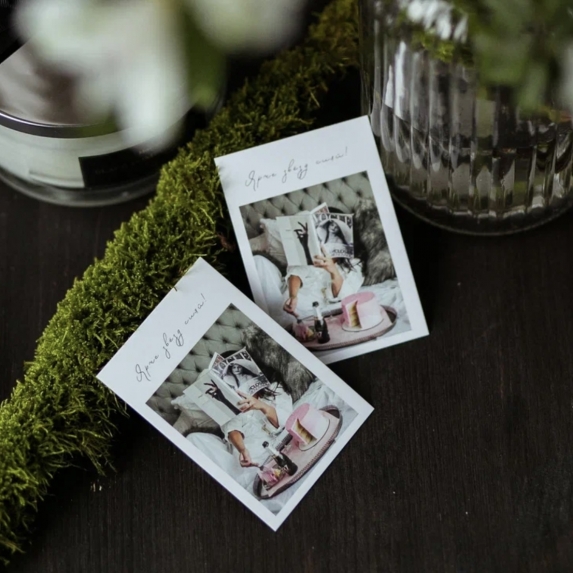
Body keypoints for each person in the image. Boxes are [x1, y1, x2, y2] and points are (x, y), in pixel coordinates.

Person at [187, 362, 293, 490]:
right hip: (243, 449)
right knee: (193, 438)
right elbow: (232, 429)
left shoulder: (275, 387)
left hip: (270, 444)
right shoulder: (230, 400)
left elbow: (287, 421)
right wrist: (242, 449)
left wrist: (262, 406)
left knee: (257, 471)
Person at [255, 245, 364, 329]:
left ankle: (275, 322)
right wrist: (293, 296)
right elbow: (295, 273)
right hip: (283, 293)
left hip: (307, 306)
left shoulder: (355, 263)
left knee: (286, 315)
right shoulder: (312, 250)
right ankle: (273, 318)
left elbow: (344, 296)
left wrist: (333, 270)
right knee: (258, 260)